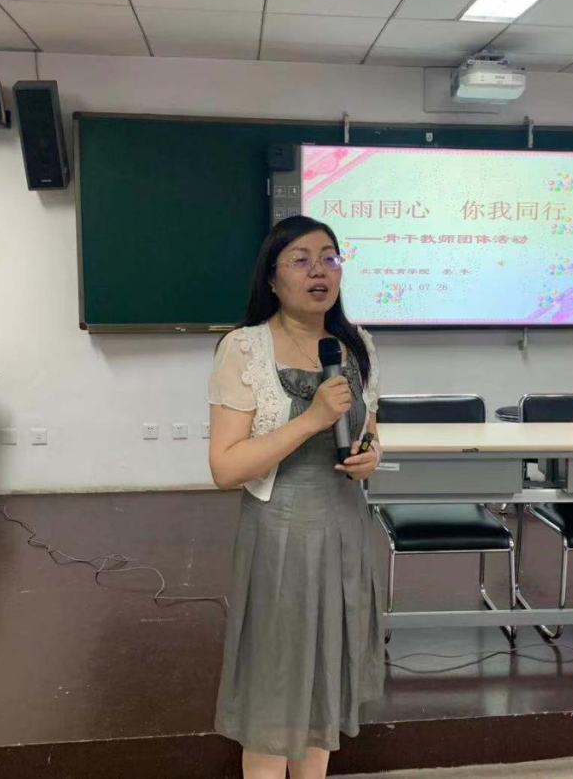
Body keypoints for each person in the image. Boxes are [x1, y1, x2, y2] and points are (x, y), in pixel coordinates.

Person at [208, 215, 385, 779]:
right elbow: (225, 468)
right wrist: (310, 420)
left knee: (326, 677)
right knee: (276, 683)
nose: (319, 271)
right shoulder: (245, 349)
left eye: (329, 257)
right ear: (273, 277)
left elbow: (370, 431)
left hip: (346, 527)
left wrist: (370, 457)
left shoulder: (356, 345)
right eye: (301, 260)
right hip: (280, 531)